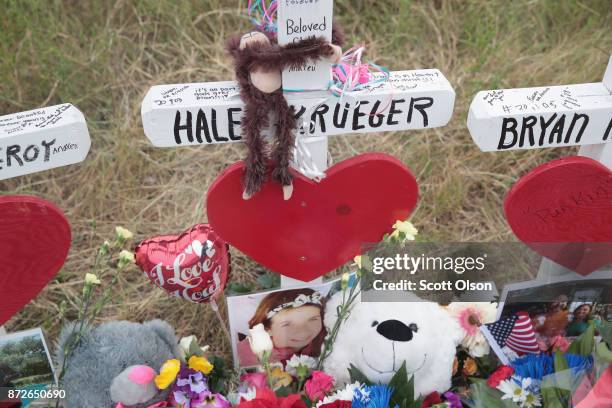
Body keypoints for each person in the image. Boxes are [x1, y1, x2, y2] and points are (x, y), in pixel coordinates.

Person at [237, 288, 326, 367]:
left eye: (313, 319)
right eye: (286, 324)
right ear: (267, 328)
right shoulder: (247, 355)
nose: (302, 332)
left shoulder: (327, 337)